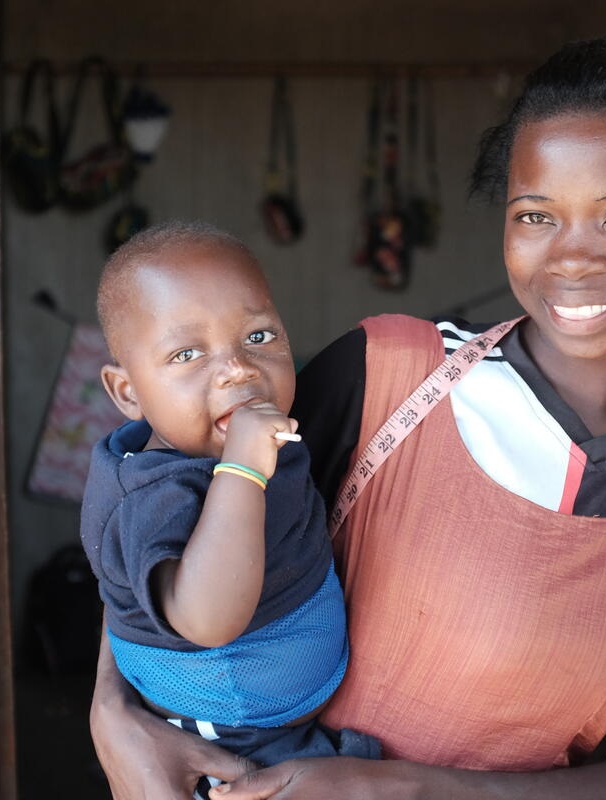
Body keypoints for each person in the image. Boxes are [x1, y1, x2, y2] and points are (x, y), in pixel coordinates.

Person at [89, 37, 606, 800]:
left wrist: (392, 788)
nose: (573, 258)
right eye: (537, 216)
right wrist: (112, 712)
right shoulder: (390, 374)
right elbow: (172, 504)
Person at [79, 222, 380, 784]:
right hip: (226, 736)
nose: (238, 368)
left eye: (259, 337)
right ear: (128, 393)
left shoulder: (263, 431)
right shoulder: (150, 496)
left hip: (283, 721)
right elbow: (207, 619)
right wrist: (242, 470)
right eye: (187, 353)